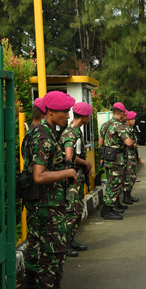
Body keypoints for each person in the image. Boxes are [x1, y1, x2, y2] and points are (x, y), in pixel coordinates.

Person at [29, 91, 77, 289]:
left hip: (52, 203)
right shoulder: (43, 137)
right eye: (63, 112)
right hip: (47, 206)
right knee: (50, 252)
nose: (67, 116)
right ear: (50, 112)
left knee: (56, 251)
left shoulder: (47, 132)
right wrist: (67, 172)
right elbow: (39, 175)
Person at [59, 102, 93, 258]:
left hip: (77, 177)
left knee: (77, 210)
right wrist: (85, 163)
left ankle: (70, 240)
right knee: (72, 211)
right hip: (71, 179)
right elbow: (69, 155)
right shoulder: (71, 133)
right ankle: (64, 245)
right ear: (84, 116)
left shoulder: (76, 131)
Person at [21, 97, 47, 289]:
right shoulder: (38, 135)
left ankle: (32, 278)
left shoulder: (28, 134)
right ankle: (34, 280)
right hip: (37, 193)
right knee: (37, 237)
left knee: (34, 236)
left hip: (31, 191)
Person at [99, 102, 134, 219]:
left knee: (111, 182)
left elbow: (100, 142)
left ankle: (112, 206)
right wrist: (131, 144)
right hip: (117, 159)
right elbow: (128, 142)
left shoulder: (105, 124)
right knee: (115, 184)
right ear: (121, 113)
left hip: (108, 157)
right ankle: (107, 210)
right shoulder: (118, 125)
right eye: (125, 114)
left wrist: (102, 157)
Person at [122, 111, 140, 205]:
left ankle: (129, 195)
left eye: (134, 119)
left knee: (133, 176)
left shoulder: (132, 129)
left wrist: (138, 156)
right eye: (132, 119)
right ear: (127, 120)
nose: (134, 121)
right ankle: (125, 196)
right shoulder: (125, 130)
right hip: (128, 155)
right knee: (128, 176)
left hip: (133, 154)